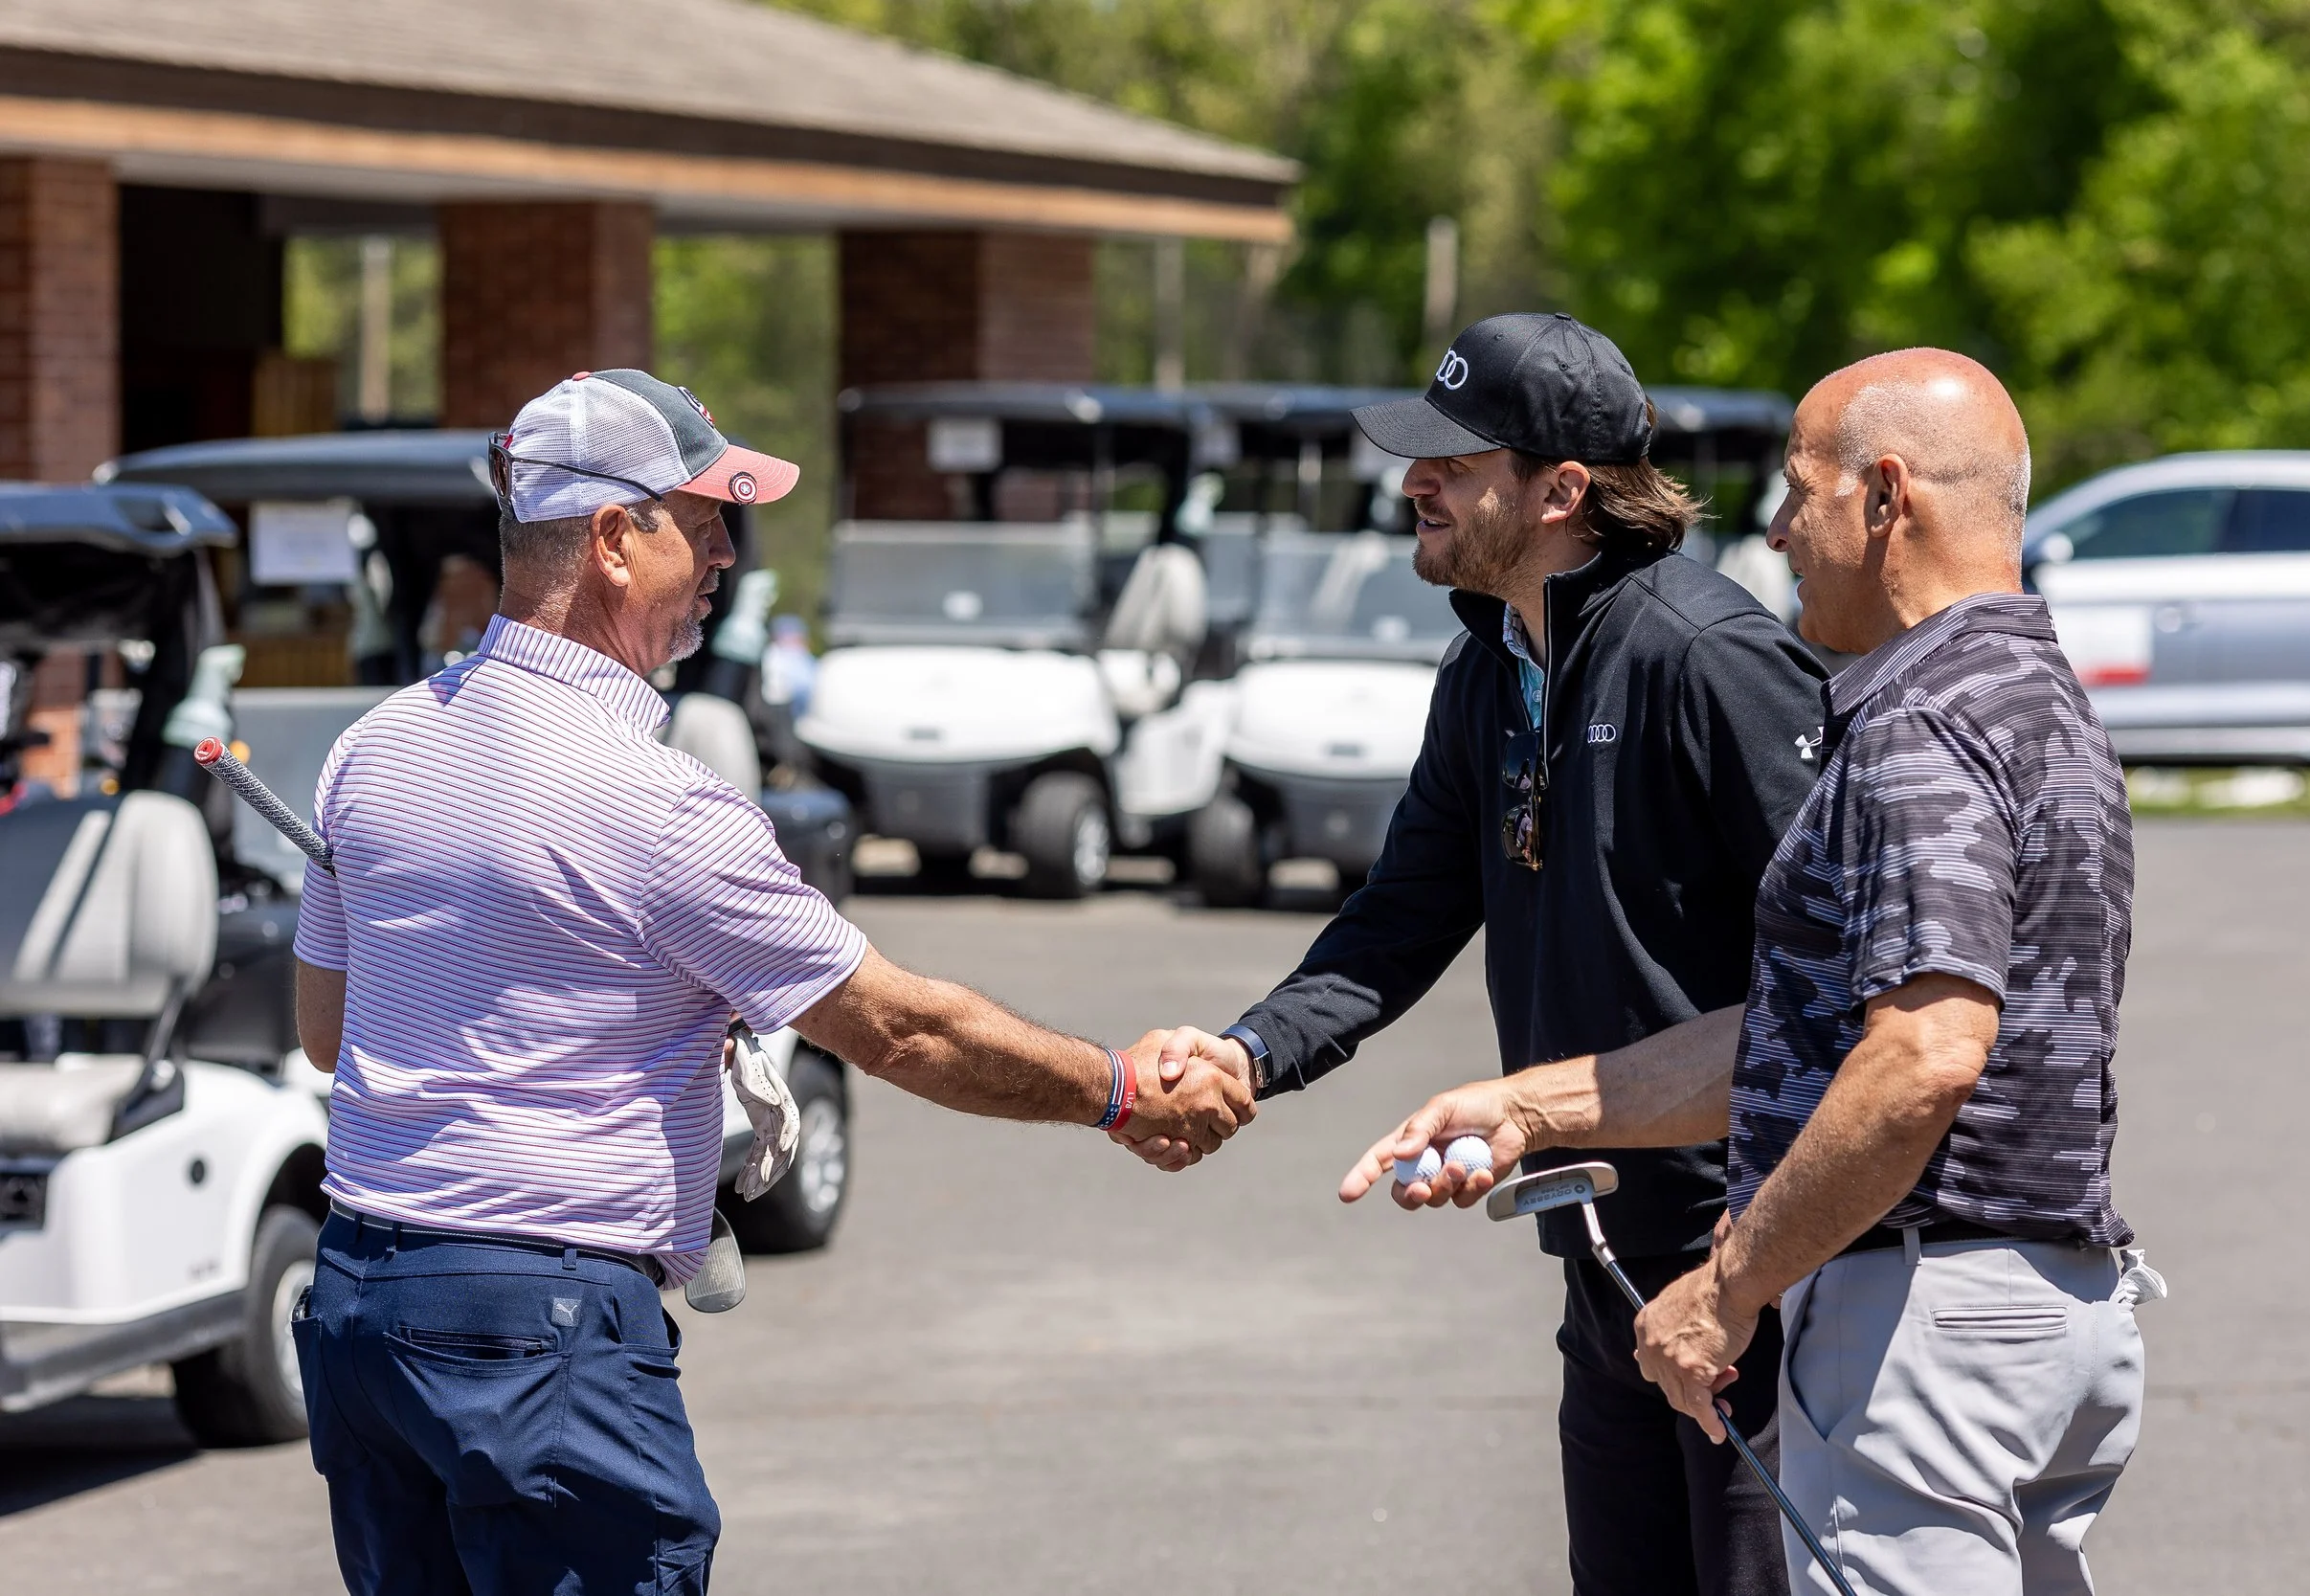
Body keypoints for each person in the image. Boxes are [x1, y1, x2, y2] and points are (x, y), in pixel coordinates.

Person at [289, 369, 1252, 1596]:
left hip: (366, 1301)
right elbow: (904, 1030)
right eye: (700, 522)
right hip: (537, 1335)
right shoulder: (659, 804)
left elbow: (328, 1032)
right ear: (610, 539)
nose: (726, 556)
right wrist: (1119, 1091)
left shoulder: (374, 745)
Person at [1350, 349, 2160, 1596]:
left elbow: (1920, 1053)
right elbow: (1810, 1029)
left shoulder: (1918, 718)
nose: (1775, 531)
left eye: (1799, 492)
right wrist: (1526, 1105)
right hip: (2059, 1309)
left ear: (1887, 496)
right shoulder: (2032, 691)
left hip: (1925, 1324)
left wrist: (1727, 1287)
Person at [1133, 313, 1829, 1596]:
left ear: (1563, 490)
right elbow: (1402, 911)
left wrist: (1751, 1261)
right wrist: (1244, 1053)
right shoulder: (1488, 663)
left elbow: (1839, 988)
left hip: (1758, 1282)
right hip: (1601, 1258)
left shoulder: (1710, 655)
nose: (1414, 483)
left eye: (1451, 462)